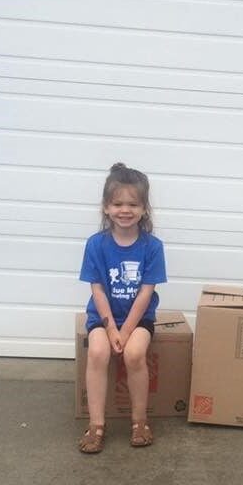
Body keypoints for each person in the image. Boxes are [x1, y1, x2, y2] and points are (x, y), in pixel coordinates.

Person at [78, 163, 167, 452]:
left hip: (138, 319)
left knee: (135, 353)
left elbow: (145, 292)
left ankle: (139, 421)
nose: (125, 210)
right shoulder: (96, 245)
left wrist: (126, 330)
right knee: (99, 351)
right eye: (117, 203)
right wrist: (111, 328)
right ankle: (96, 425)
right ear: (106, 208)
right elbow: (97, 289)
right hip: (103, 318)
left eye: (133, 204)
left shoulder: (152, 246)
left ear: (144, 209)